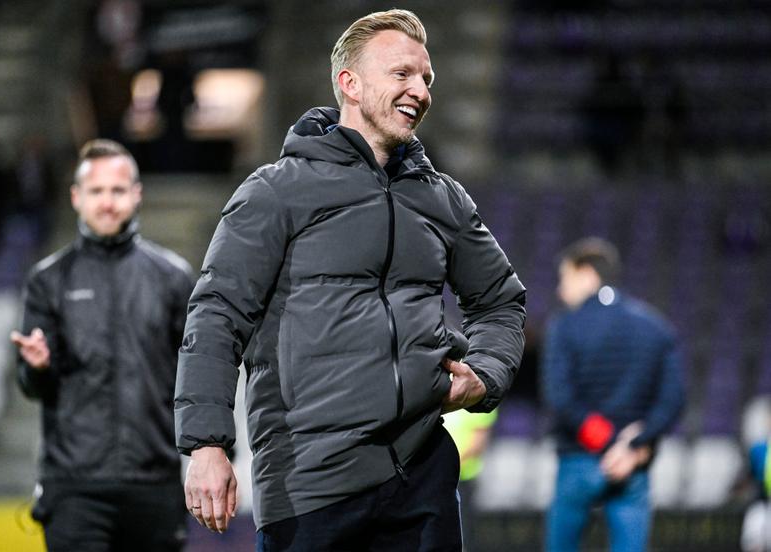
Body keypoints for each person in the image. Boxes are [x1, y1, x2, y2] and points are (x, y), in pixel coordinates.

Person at [174, 9, 526, 552]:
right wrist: (206, 446)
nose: (420, 90)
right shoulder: (275, 191)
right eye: (402, 74)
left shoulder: (442, 198)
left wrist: (486, 373)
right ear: (350, 84)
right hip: (311, 485)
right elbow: (216, 317)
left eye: (426, 78)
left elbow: (501, 301)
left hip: (422, 474)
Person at [11, 139, 194, 552]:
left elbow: (197, 379)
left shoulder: (173, 278)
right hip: (75, 490)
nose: (107, 203)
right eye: (96, 191)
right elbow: (31, 387)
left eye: (117, 190)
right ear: (76, 197)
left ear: (136, 194)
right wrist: (37, 366)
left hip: (155, 485)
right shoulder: (47, 280)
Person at [541, 237, 685, 552]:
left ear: (588, 274)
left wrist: (605, 442)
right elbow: (673, 400)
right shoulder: (656, 327)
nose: (560, 290)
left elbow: (560, 397)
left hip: (579, 461)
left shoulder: (565, 327)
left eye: (565, 278)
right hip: (633, 463)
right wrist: (631, 445)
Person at [444, 408, 498, 552]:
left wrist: (445, 465)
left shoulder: (478, 392)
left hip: (462, 479)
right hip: (437, 478)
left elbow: (478, 441)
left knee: (462, 534)